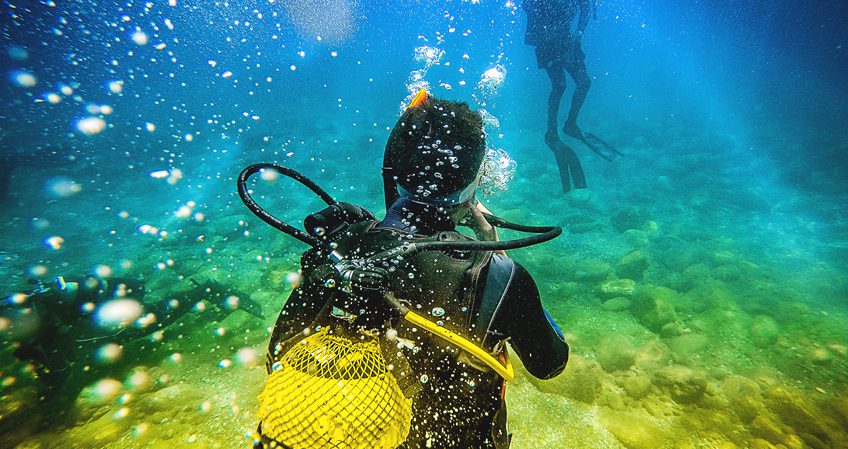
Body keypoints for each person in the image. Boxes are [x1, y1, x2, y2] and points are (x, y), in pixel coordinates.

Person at [254, 92, 568, 448]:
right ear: (475, 180)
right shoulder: (498, 276)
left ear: (394, 172)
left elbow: (277, 355)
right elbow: (550, 363)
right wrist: (490, 252)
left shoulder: (341, 247)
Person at [0, 274, 262, 409]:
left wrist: (49, 399)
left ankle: (207, 289)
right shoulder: (35, 319)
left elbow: (57, 372)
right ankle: (206, 290)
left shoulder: (44, 321)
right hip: (104, 320)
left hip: (116, 321)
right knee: (155, 317)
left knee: (157, 318)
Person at [522, 0, 620, 192]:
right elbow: (527, 7)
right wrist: (543, 32)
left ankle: (570, 125)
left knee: (584, 83)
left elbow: (586, 8)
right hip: (545, 40)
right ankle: (551, 133)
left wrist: (580, 30)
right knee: (559, 86)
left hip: (566, 39)